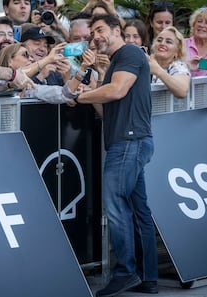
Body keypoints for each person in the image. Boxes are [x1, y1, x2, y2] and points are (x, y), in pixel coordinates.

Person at [75, 14, 158, 296]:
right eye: (92, 33)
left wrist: (79, 96)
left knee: (116, 206)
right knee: (138, 210)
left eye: (100, 30)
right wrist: (92, 93)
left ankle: (125, 272)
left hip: (129, 143)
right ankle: (148, 278)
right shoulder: (116, 62)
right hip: (128, 142)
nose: (96, 36)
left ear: (116, 30)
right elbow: (107, 106)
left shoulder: (130, 52)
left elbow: (117, 91)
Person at [0, 42, 94, 104]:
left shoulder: (30, 87)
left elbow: (63, 94)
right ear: (9, 61)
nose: (31, 59)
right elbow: (17, 75)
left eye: (31, 56)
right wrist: (48, 59)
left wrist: (82, 69)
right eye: (25, 55)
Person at [149, 26, 190, 98]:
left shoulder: (178, 66)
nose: (162, 43)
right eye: (159, 40)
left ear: (177, 51)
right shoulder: (146, 61)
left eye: (168, 42)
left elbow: (182, 91)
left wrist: (158, 71)